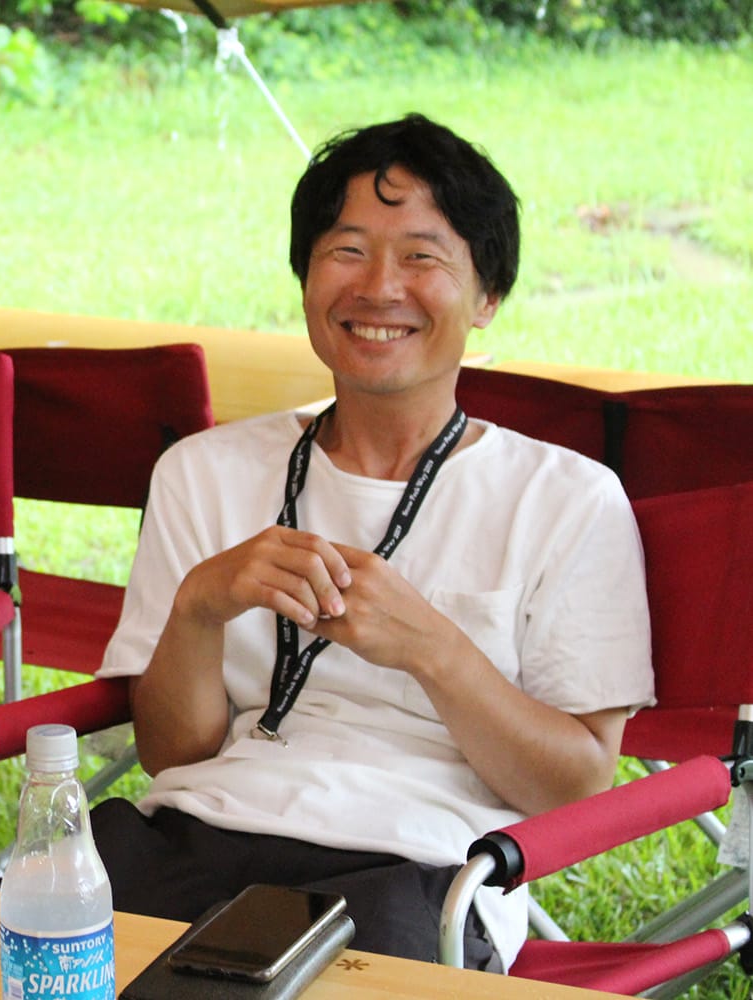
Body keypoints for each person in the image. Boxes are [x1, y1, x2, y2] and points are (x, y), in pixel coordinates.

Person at [89, 113, 653, 971]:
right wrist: (201, 606)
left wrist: (431, 648)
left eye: (423, 257)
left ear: (488, 297)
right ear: (305, 278)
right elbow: (174, 756)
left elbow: (573, 783)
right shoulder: (201, 473)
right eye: (347, 251)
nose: (380, 287)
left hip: (418, 868)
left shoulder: (567, 499)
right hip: (194, 833)